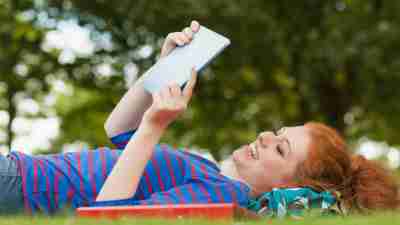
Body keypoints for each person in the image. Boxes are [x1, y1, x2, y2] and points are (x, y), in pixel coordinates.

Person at [1, 21, 398, 215]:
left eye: (280, 147)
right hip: (19, 173)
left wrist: (155, 126)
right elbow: (118, 131)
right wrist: (161, 70)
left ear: (294, 186)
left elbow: (108, 219)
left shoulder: (224, 196)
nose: (263, 136)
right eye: (276, 132)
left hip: (25, 186)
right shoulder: (208, 172)